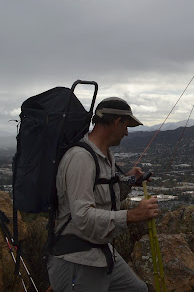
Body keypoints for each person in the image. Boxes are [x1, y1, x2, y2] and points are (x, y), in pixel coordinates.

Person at [47, 97, 159, 292]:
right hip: (78, 258)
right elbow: (83, 216)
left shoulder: (104, 155)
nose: (126, 133)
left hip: (100, 250)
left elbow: (105, 195)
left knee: (137, 289)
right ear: (117, 122)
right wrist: (132, 216)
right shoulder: (81, 158)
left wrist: (130, 181)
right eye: (126, 126)